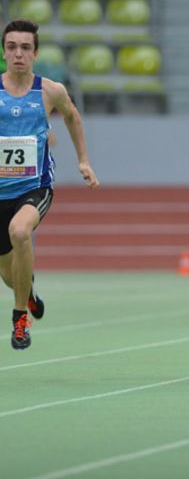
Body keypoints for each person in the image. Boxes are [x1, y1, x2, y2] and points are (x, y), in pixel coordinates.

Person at [1, 19, 100, 350]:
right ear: (4, 52)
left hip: (34, 188)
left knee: (19, 232)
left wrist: (83, 160)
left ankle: (20, 321)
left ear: (35, 53)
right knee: (8, 274)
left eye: (25, 48)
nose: (18, 54)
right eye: (12, 47)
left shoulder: (50, 91)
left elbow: (72, 116)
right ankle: (27, 293)